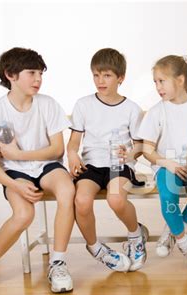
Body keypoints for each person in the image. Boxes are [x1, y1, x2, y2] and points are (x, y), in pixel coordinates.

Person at [0, 47, 75, 294]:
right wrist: (15, 184)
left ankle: (58, 263)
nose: (38, 79)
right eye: (32, 73)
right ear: (10, 74)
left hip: (47, 167)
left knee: (67, 191)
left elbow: (56, 149)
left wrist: (20, 155)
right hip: (14, 173)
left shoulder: (48, 104)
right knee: (23, 215)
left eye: (40, 73)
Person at [67, 48, 147, 272]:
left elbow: (140, 145)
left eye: (107, 75)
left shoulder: (131, 109)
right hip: (91, 164)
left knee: (116, 200)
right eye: (96, 75)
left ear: (120, 78)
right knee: (81, 202)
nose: (100, 81)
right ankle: (95, 248)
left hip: (118, 164)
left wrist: (130, 154)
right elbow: (73, 143)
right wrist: (72, 155)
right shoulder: (83, 105)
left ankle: (135, 235)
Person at [138, 55, 187, 271]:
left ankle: (172, 229)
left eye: (161, 81)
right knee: (168, 199)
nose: (157, 87)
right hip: (167, 166)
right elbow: (147, 150)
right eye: (155, 82)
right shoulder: (157, 111)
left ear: (180, 80)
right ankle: (184, 242)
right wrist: (168, 164)